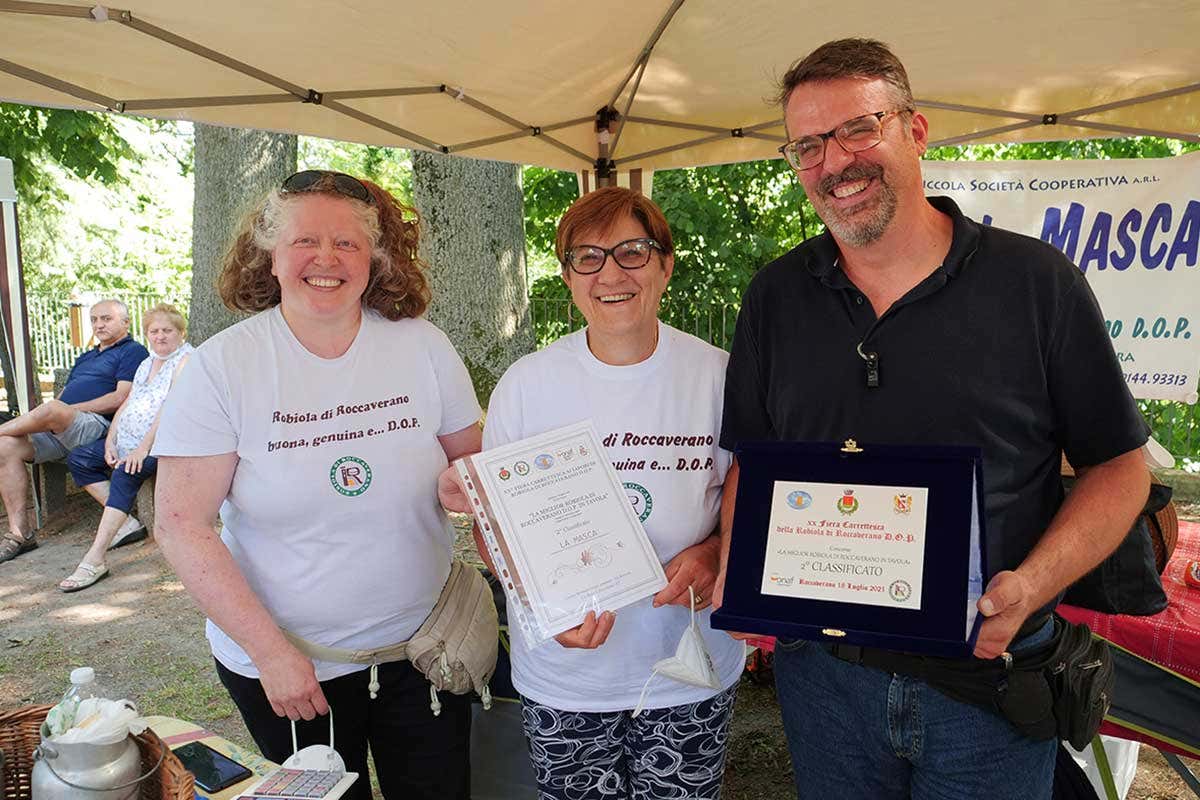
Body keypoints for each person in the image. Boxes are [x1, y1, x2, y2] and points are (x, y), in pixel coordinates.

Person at [713, 39, 1150, 799]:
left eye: (858, 129)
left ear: (915, 130)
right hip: (826, 680)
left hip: (989, 674)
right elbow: (755, 461)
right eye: (807, 145)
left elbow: (1120, 466)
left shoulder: (1036, 284)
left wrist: (1033, 583)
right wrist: (737, 564)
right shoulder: (776, 297)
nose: (833, 163)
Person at [152, 171, 482, 800]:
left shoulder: (423, 347)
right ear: (269, 254)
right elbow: (180, 524)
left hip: (427, 650)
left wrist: (459, 484)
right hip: (288, 664)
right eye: (305, 241)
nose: (326, 260)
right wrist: (271, 653)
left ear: (376, 257)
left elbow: (474, 468)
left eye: (347, 244)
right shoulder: (225, 366)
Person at [440, 187, 743, 800]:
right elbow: (493, 526)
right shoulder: (527, 385)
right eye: (588, 257)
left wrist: (716, 550)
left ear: (665, 263)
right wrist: (539, 606)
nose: (611, 273)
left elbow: (748, 482)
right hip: (566, 672)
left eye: (632, 252)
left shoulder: (720, 375)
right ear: (568, 277)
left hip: (688, 664)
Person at [0, 299, 148, 563]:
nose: (98, 324)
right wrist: (60, 411)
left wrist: (69, 410)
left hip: (97, 425)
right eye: (94, 319)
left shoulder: (133, 352)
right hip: (62, 427)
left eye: (106, 318)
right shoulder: (87, 357)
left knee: (52, 409)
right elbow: (63, 396)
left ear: (126, 322)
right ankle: (20, 533)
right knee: (6, 446)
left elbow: (120, 398)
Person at [58, 304, 193, 591]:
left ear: (181, 333)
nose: (160, 336)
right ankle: (126, 523)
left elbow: (171, 409)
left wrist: (142, 449)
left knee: (124, 473)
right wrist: (110, 441)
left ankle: (94, 559)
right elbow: (127, 402)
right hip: (129, 442)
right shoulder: (148, 361)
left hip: (164, 443)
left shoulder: (185, 360)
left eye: (167, 330)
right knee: (81, 457)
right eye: (154, 331)